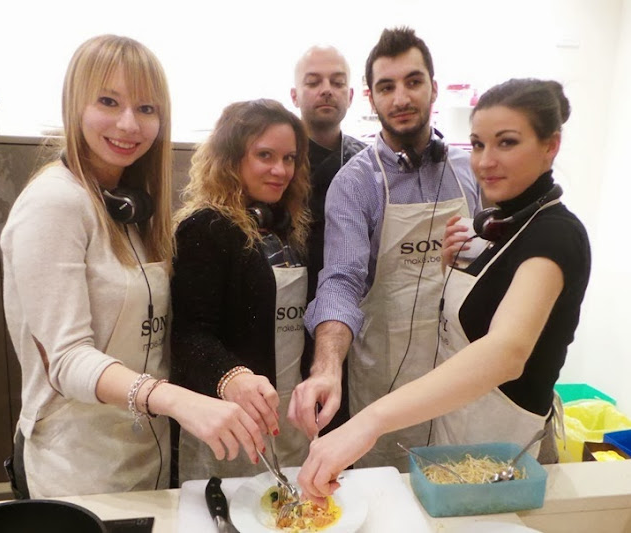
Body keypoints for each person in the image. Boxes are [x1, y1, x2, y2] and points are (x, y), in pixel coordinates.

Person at [296, 78, 591, 500]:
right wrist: (451, 269)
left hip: (511, 459)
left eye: (507, 143)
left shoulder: (555, 235)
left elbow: (506, 352)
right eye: (478, 144)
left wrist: (369, 421)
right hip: (461, 446)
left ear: (551, 145)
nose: (485, 161)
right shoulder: (504, 228)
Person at [0, 35, 264, 499]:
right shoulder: (54, 204)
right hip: (77, 464)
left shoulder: (133, 208)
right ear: (75, 104)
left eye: (146, 108)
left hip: (145, 453)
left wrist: (229, 377)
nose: (129, 124)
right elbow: (67, 359)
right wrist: (176, 400)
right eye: (108, 102)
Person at [289, 27, 482, 471]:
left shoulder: (469, 170)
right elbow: (341, 280)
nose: (401, 98)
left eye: (413, 82)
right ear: (371, 99)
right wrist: (326, 367)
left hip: (462, 370)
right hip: (386, 379)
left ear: (434, 88)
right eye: (386, 87)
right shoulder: (355, 183)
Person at [171, 99, 312, 481]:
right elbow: (188, 335)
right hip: (230, 415)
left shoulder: (287, 228)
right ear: (232, 158)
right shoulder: (206, 228)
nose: (280, 170)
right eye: (265, 155)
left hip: (287, 409)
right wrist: (232, 376)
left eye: (289, 158)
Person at [290, 45, 366, 435]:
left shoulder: (367, 164)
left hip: (347, 318)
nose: (326, 90)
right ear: (295, 95)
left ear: (350, 96)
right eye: (314, 82)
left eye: (337, 83)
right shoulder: (278, 159)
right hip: (283, 312)